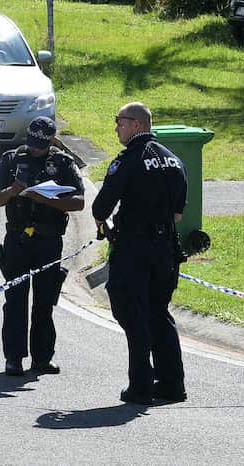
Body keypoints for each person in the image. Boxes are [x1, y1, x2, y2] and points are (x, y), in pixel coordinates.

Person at [92, 101, 188, 406]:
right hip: (165, 249)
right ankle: (172, 385)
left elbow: (100, 208)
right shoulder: (174, 160)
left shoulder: (128, 159)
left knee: (132, 314)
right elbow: (177, 215)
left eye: (119, 122)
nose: (116, 127)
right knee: (159, 312)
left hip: (134, 249)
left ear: (136, 125)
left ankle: (141, 386)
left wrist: (110, 226)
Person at [0, 116, 85, 376]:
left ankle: (42, 358)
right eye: (32, 144)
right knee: (15, 301)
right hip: (18, 241)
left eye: (40, 145)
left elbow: (78, 202)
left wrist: (46, 199)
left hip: (49, 240)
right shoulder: (11, 159)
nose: (34, 149)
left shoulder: (63, 163)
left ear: (52, 141)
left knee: (45, 302)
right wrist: (13, 191)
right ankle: (14, 358)